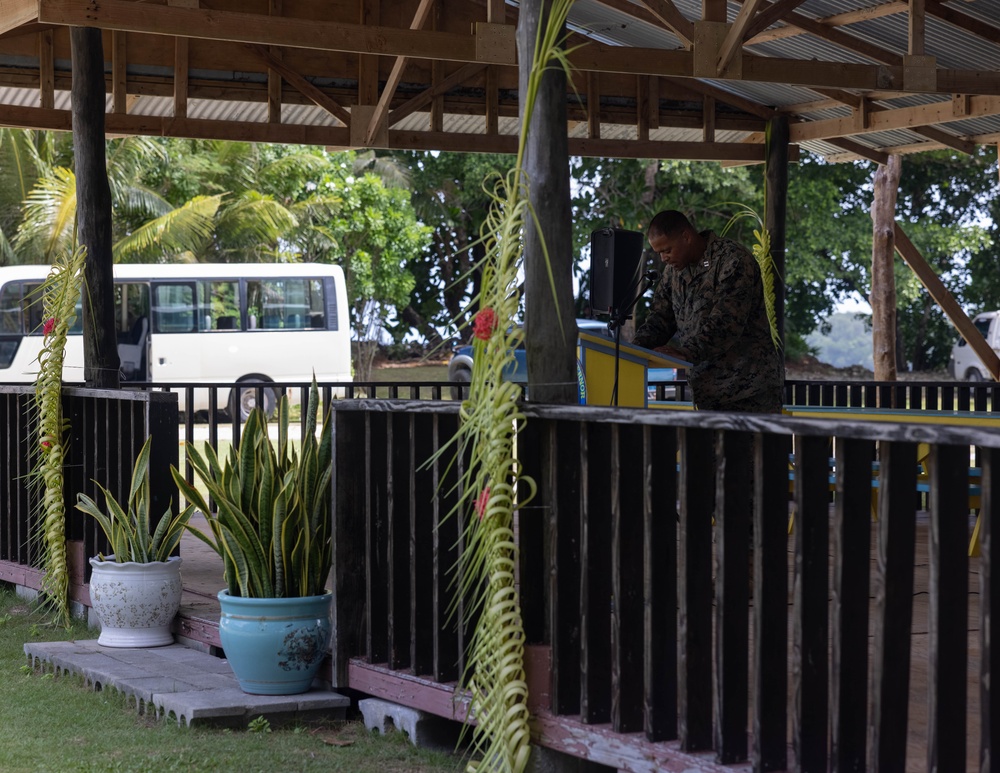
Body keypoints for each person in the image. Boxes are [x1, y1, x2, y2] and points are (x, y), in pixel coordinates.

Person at [632, 210, 784, 413]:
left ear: (686, 236)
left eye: (667, 250)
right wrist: (633, 351)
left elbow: (726, 323)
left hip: (748, 391)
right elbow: (660, 319)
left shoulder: (733, 260)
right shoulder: (673, 272)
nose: (663, 258)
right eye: (659, 252)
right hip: (707, 392)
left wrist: (685, 353)